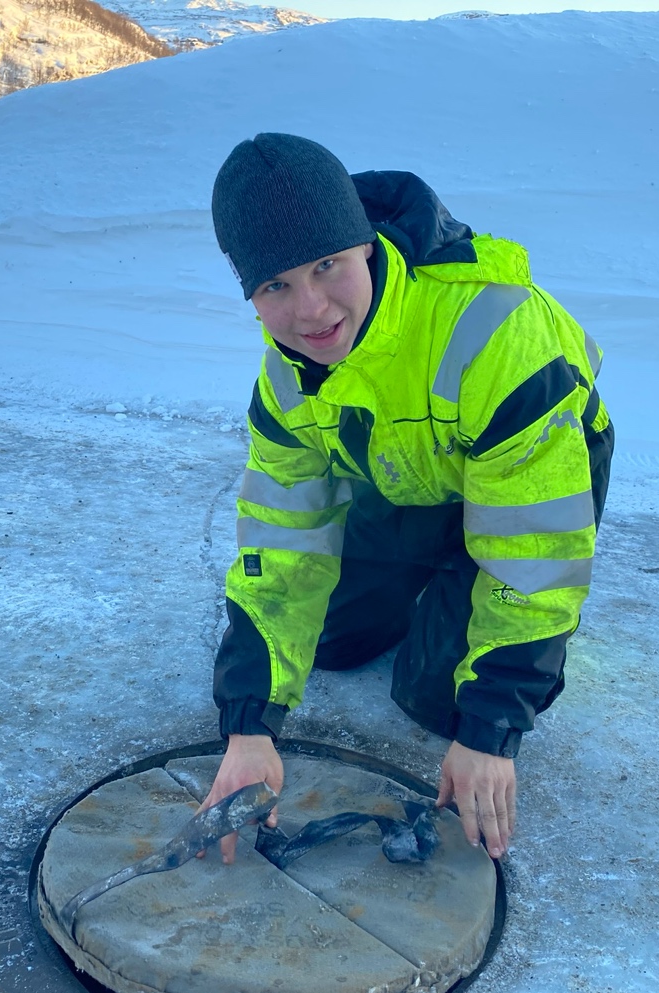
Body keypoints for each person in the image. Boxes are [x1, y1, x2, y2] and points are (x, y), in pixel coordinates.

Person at [199, 133, 613, 865]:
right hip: (408, 475)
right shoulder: (288, 381)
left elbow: (535, 550)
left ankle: (461, 584)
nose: (311, 309)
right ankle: (435, 576)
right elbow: (282, 543)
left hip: (540, 470)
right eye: (276, 286)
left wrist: (491, 731)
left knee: (442, 698)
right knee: (322, 644)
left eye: (327, 265)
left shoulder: (492, 330)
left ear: (363, 244)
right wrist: (249, 724)